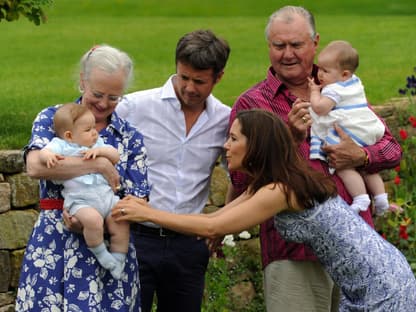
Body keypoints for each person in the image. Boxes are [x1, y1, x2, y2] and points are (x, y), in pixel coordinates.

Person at [112, 109, 416, 311]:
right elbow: (215, 219)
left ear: (256, 145)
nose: (226, 146)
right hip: (374, 278)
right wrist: (147, 207)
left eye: (233, 139)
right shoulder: (270, 183)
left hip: (383, 286)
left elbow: (211, 229)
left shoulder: (280, 190)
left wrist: (147, 214)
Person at [226, 6, 402, 312]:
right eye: (279, 46)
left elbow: (390, 148)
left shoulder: (341, 91)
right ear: (268, 46)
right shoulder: (252, 103)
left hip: (356, 247)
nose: (287, 54)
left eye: (296, 44)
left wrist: (360, 155)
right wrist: (290, 138)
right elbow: (241, 180)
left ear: (315, 42)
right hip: (296, 253)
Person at [15, 44, 150, 311]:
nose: (103, 104)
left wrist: (99, 219)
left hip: (111, 252)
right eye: (97, 94)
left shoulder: (130, 137)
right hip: (55, 246)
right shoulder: (54, 119)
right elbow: (36, 167)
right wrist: (98, 166)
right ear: (82, 81)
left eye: (114, 97)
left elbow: (139, 199)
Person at [115, 29, 231, 312]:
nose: (190, 87)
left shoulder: (225, 119)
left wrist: (224, 223)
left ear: (219, 77)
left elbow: (239, 176)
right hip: (136, 238)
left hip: (189, 246)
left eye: (200, 81)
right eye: (184, 77)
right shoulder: (135, 107)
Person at [39, 103, 129, 279]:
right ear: (69, 136)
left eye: (94, 127)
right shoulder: (62, 146)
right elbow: (43, 152)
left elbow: (115, 156)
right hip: (81, 201)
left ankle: (119, 258)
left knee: (121, 219)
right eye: (88, 129)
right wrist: (48, 156)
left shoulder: (99, 144)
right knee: (93, 221)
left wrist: (100, 151)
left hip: (107, 198)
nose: (95, 132)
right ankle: (102, 254)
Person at [308, 40, 389, 216]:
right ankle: (381, 197)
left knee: (343, 166)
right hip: (367, 129)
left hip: (350, 131)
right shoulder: (354, 82)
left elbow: (321, 108)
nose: (319, 74)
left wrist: (314, 92)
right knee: (366, 166)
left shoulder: (334, 89)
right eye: (320, 68)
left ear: (344, 74)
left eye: (325, 71)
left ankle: (361, 197)